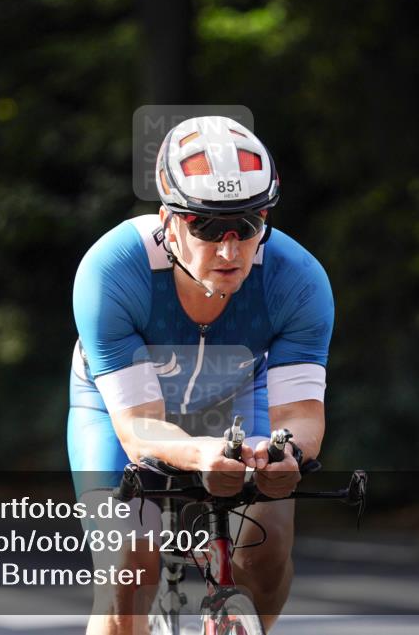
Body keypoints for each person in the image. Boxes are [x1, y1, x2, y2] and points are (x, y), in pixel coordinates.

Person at [68, 116, 334, 634]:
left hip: (239, 395)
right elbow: (139, 428)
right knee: (128, 570)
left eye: (248, 225)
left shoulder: (298, 280)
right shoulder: (111, 270)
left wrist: (286, 454)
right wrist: (200, 452)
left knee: (269, 548)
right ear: (168, 221)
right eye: (208, 228)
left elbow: (301, 417)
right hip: (120, 411)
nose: (230, 250)